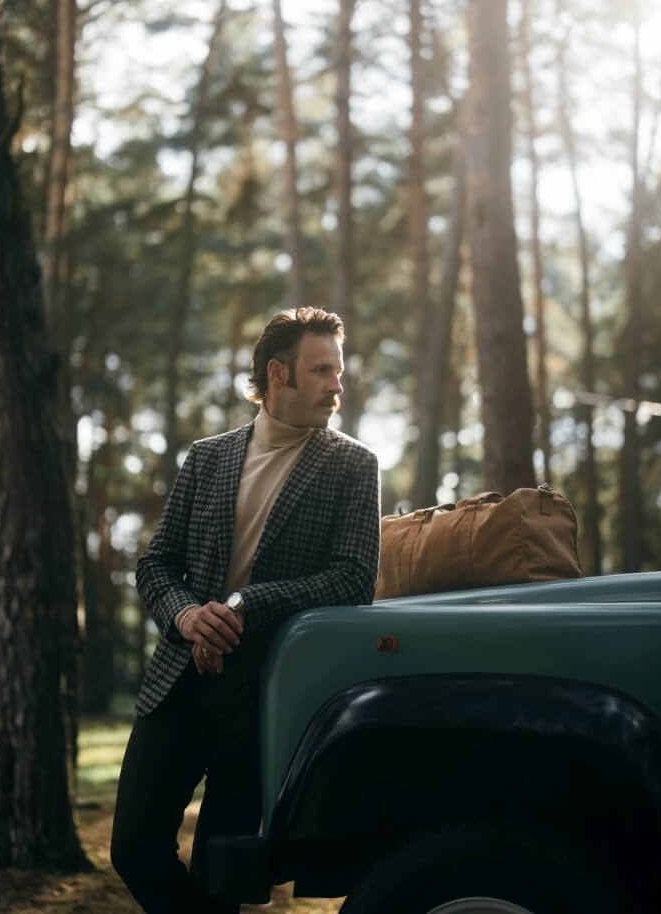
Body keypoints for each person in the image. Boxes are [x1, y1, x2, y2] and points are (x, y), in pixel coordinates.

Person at [110, 306, 381, 914]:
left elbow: (353, 580)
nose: (337, 384)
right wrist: (186, 616)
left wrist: (240, 606)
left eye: (339, 370)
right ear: (277, 374)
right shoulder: (207, 457)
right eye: (322, 371)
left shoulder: (355, 466)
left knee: (222, 877)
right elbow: (156, 564)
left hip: (262, 696)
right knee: (132, 848)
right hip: (178, 680)